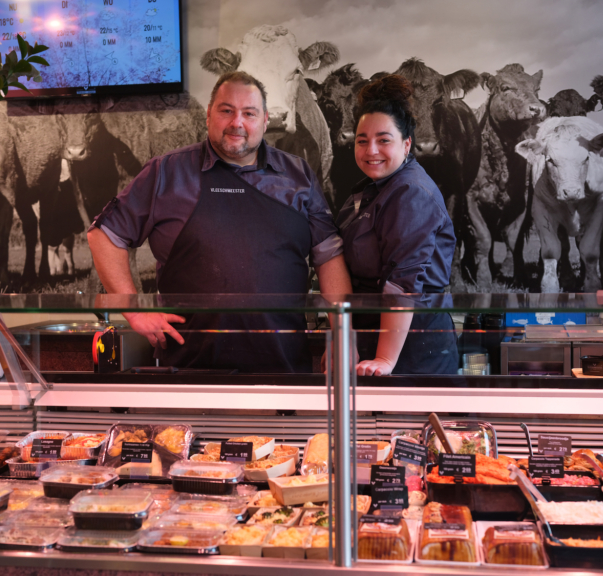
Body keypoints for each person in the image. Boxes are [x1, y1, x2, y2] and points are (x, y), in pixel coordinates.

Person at [88, 71, 351, 373]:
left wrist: (341, 335)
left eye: (249, 113)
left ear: (265, 120)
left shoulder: (297, 174)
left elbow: (329, 256)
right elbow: (104, 235)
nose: (237, 123)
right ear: (208, 116)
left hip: (284, 368)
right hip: (188, 369)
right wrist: (133, 311)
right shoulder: (167, 171)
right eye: (226, 111)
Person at [336, 74, 459, 376]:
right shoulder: (369, 189)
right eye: (362, 141)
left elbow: (403, 282)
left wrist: (385, 360)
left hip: (412, 349)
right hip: (374, 341)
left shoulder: (410, 191)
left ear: (406, 145)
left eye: (383, 140)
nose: (370, 150)